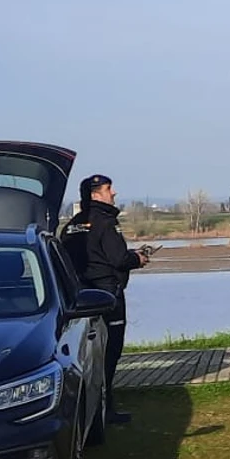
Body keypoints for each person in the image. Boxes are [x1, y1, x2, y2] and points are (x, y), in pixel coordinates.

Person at [58, 173, 154, 422]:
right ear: (95, 194)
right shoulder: (106, 222)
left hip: (78, 299)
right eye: (109, 189)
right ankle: (106, 409)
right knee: (110, 352)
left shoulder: (71, 225)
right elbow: (118, 259)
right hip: (108, 296)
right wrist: (138, 259)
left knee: (86, 354)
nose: (114, 193)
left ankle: (93, 407)